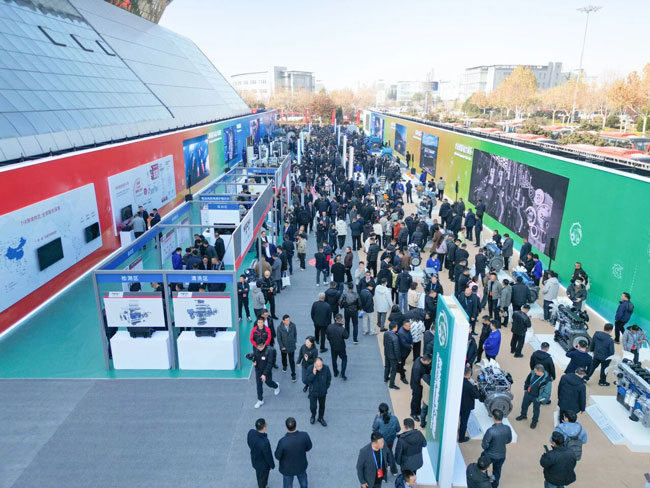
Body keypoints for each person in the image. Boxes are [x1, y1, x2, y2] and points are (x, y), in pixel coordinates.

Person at [274, 417, 312, 488]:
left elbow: (277, 456)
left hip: (287, 469)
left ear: (286, 427)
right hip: (301, 466)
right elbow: (309, 447)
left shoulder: (282, 441)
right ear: (296, 425)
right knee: (303, 483)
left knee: (288, 485)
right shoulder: (304, 435)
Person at [481, 409, 512, 488]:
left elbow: (484, 445)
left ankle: (485, 482)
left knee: (483, 467)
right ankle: (494, 485)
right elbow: (509, 440)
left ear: (493, 417)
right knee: (497, 471)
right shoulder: (507, 428)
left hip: (489, 455)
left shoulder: (491, 431)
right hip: (501, 455)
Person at [516, 364, 550, 429]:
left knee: (536, 411)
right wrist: (525, 388)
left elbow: (547, 393)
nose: (534, 372)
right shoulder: (533, 373)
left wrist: (539, 399)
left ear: (540, 372)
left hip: (537, 397)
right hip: (528, 393)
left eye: (535, 371)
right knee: (524, 406)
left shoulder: (547, 380)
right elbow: (527, 380)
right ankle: (523, 415)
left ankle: (534, 421)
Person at [252, 338, 280, 409]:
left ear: (264, 344)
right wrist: (254, 361)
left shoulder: (269, 351)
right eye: (258, 347)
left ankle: (276, 386)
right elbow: (255, 356)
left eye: (260, 347)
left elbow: (269, 364)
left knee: (269, 383)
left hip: (266, 371)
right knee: (259, 385)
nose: (259, 348)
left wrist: (264, 374)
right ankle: (260, 400)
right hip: (258, 370)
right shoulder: (256, 348)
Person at [247, 418, 275, 488]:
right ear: (264, 428)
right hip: (263, 465)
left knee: (259, 475)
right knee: (263, 480)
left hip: (255, 460)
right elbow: (268, 455)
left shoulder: (251, 432)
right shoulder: (265, 443)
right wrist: (272, 465)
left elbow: (249, 442)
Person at [305, 357, 331, 426]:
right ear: (314, 364)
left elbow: (329, 378)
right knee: (313, 407)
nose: (320, 367)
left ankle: (320, 418)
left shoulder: (326, 368)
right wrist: (313, 374)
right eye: (318, 366)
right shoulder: (310, 369)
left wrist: (326, 387)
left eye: (321, 365)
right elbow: (308, 380)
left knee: (322, 406)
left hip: (322, 392)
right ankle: (313, 416)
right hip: (313, 392)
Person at [459, 366, 479, 442]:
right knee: (464, 422)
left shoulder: (459, 380)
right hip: (466, 406)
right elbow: (476, 395)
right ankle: (461, 438)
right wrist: (475, 386)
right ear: (468, 374)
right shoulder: (469, 386)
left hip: (459, 403)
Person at [410, 354, 432, 422]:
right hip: (416, 386)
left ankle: (417, 410)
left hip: (418, 385)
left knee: (419, 398)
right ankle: (413, 413)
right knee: (415, 399)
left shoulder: (419, 359)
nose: (430, 363)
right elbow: (417, 380)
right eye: (429, 362)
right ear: (426, 361)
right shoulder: (417, 368)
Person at [327, 313, 349, 380]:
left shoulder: (330, 326)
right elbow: (346, 336)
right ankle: (342, 373)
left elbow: (328, 337)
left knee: (334, 359)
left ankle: (335, 372)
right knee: (344, 358)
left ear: (335, 319)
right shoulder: (341, 329)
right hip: (341, 347)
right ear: (342, 319)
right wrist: (344, 328)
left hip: (333, 346)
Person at [277, 314, 298, 382]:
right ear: (283, 321)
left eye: (289, 320)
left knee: (292, 360)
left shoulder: (293, 325)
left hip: (291, 346)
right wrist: (282, 346)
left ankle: (293, 374)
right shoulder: (279, 328)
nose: (288, 321)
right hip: (284, 347)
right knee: (284, 358)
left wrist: (294, 341)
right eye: (287, 320)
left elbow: (295, 334)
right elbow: (279, 338)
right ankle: (284, 365)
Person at [384, 322, 401, 390]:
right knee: (393, 370)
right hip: (393, 357)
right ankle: (391, 385)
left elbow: (384, 343)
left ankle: (385, 378)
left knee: (387, 366)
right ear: (395, 328)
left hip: (387, 353)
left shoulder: (386, 333)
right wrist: (399, 359)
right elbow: (397, 349)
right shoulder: (395, 338)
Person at [397, 320, 413, 384]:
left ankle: (399, 369)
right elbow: (403, 343)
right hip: (402, 351)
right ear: (404, 325)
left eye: (410, 325)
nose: (410, 327)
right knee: (401, 363)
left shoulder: (407, 329)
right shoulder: (401, 333)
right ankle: (402, 377)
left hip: (406, 350)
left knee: (403, 361)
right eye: (408, 326)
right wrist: (410, 346)